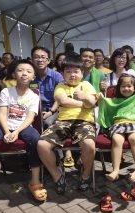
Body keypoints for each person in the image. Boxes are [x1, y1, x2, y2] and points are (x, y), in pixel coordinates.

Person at [0, 59, 47, 201]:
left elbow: (30, 118)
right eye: (20, 70)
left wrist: (16, 132)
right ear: (14, 74)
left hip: (24, 126)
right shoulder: (6, 92)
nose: (24, 74)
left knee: (35, 140)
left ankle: (35, 181)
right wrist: (7, 131)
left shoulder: (34, 95)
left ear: (33, 77)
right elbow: (2, 114)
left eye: (28, 71)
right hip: (2, 126)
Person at [37, 53, 97, 194]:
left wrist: (87, 100)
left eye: (76, 71)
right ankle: (57, 176)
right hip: (63, 122)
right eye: (68, 72)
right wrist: (85, 103)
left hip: (84, 122)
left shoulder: (86, 85)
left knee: (89, 145)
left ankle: (85, 175)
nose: (72, 75)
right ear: (62, 74)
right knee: (42, 145)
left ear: (82, 73)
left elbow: (93, 102)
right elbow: (63, 101)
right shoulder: (60, 86)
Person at [99, 70, 135, 183]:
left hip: (134, 124)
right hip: (118, 124)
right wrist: (100, 98)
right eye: (123, 86)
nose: (126, 88)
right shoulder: (114, 101)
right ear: (118, 88)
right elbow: (105, 107)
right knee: (116, 139)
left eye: (129, 86)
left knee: (134, 138)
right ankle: (115, 170)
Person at [30, 46, 64, 130]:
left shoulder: (56, 76)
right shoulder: (29, 76)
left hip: (53, 110)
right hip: (33, 110)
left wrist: (51, 111)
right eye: (36, 57)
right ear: (32, 60)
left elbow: (60, 97)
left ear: (48, 61)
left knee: (47, 123)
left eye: (43, 57)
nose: (40, 60)